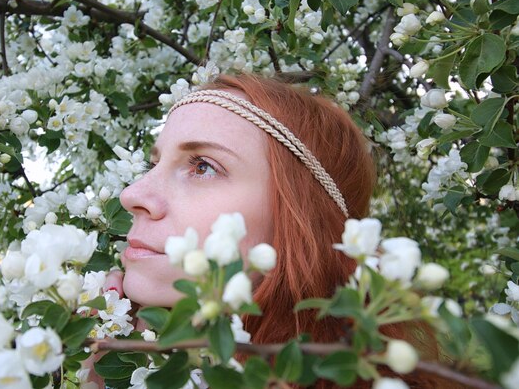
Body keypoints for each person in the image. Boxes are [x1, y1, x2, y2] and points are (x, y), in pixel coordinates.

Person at [95, 74, 439, 388]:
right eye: (152, 165)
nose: (132, 196)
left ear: (299, 218)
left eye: (203, 166)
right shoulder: (109, 360)